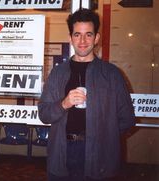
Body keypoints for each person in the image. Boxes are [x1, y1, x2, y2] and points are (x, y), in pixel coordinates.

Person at [38, 8, 135, 181]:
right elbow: (44, 114)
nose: (82, 40)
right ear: (70, 38)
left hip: (99, 155)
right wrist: (64, 104)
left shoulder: (112, 74)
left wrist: (104, 136)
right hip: (62, 152)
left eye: (88, 34)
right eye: (77, 34)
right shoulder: (57, 73)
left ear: (96, 38)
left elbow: (126, 119)